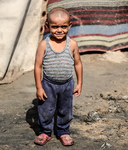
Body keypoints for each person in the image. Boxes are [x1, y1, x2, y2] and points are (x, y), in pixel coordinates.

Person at [34, 7, 83, 146]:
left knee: (65, 110)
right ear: (47, 26)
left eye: (63, 26)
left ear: (69, 26)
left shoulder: (72, 44)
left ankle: (63, 132)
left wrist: (79, 83)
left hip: (67, 84)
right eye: (55, 27)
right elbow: (37, 66)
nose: (59, 30)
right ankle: (45, 132)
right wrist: (39, 87)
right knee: (46, 109)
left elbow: (78, 63)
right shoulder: (44, 45)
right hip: (48, 84)